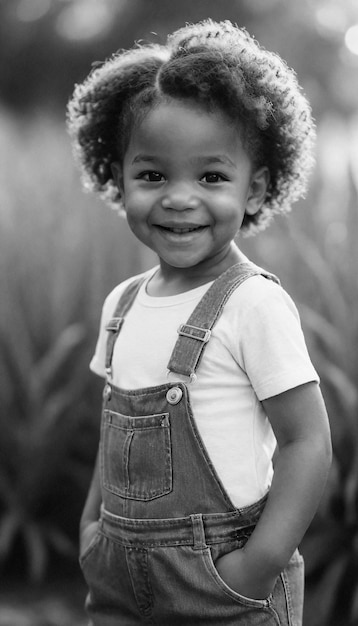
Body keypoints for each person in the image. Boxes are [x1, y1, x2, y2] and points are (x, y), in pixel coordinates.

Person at [67, 19, 332, 625]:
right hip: (115, 577)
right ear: (118, 178)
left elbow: (307, 442)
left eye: (212, 176)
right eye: (152, 175)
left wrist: (256, 566)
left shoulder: (252, 306)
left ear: (256, 190)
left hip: (225, 582)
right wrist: (91, 526)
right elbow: (115, 435)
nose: (179, 197)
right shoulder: (122, 306)